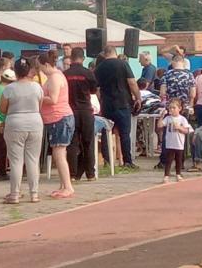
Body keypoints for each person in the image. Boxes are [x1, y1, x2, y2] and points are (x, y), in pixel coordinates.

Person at [1, 58, 44, 204]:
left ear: (16, 72)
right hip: (35, 122)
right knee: (33, 159)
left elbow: (3, 108)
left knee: (15, 161)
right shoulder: (37, 87)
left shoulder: (9, 88)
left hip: (15, 123)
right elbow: (40, 104)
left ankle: (15, 193)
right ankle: (34, 193)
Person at [94, 45, 142, 168]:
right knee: (124, 133)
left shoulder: (99, 68)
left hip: (107, 104)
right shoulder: (123, 64)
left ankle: (108, 160)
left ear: (105, 54)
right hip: (123, 102)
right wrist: (138, 97)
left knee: (106, 131)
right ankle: (127, 161)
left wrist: (100, 103)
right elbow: (132, 82)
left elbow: (97, 89)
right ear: (115, 53)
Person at [39, 52, 76, 198]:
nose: (40, 69)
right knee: (59, 152)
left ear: (47, 65)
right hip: (56, 118)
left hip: (59, 117)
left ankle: (67, 186)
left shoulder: (54, 77)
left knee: (59, 153)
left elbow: (53, 99)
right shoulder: (55, 76)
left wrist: (38, 97)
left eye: (41, 66)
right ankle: (63, 185)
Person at [64, 47, 98, 181]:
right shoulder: (88, 73)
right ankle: (90, 174)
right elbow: (94, 91)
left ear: (71, 58)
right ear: (83, 58)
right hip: (86, 111)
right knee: (88, 142)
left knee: (72, 143)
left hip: (70, 111)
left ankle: (72, 174)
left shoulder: (65, 74)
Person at [157, 98, 193, 183]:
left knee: (178, 159)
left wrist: (180, 128)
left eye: (174, 108)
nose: (172, 110)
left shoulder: (182, 119)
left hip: (179, 143)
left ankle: (178, 174)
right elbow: (160, 125)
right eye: (170, 108)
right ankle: (166, 175)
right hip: (170, 143)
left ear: (179, 108)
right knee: (168, 160)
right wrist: (161, 116)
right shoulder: (168, 118)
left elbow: (187, 130)